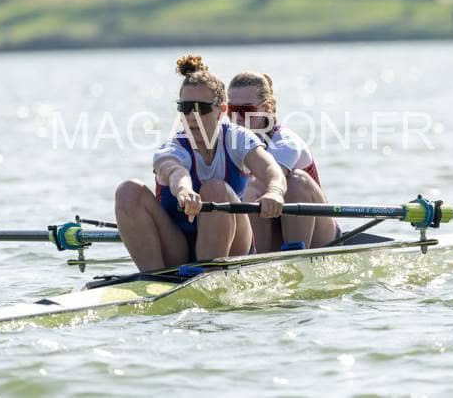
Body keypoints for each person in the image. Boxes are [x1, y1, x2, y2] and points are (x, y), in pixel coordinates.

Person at [114, 55, 287, 272]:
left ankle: (208, 274)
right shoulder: (173, 147)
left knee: (215, 190)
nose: (192, 116)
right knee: (128, 190)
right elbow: (175, 172)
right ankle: (153, 278)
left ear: (221, 110)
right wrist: (184, 191)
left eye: (201, 108)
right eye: (186, 107)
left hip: (233, 246)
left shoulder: (238, 139)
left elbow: (271, 169)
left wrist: (274, 192)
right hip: (177, 246)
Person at [227, 72, 338, 252]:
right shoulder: (225, 142)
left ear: (266, 108)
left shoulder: (285, 142)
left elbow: (264, 180)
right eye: (231, 110)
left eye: (245, 110)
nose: (237, 118)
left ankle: (295, 254)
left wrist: (273, 192)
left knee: (294, 180)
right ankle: (257, 259)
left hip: (319, 237)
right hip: (270, 233)